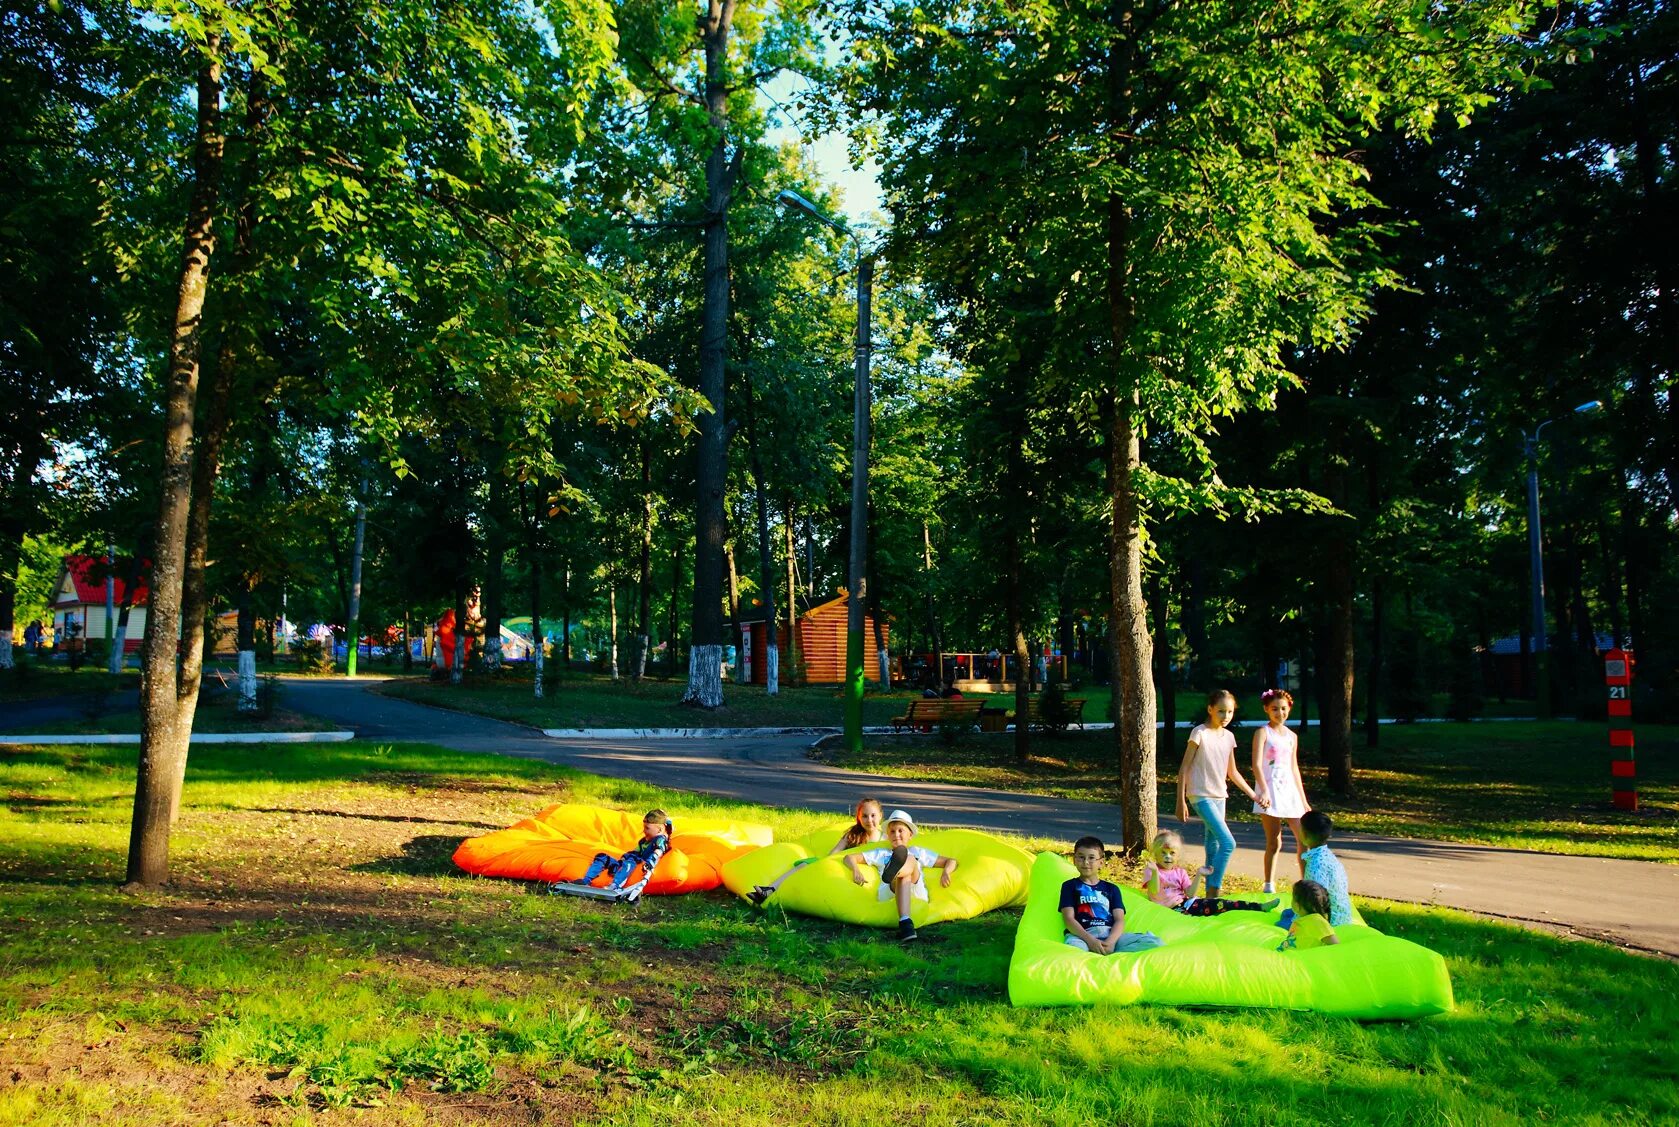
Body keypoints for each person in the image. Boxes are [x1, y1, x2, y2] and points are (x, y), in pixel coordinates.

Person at [1175, 689, 1266, 902]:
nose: (1225, 716)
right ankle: (1215, 891)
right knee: (1228, 843)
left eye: (1230, 712)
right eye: (1221, 711)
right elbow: (1184, 769)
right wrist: (1180, 801)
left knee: (1213, 845)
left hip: (1219, 796)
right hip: (1200, 795)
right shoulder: (1199, 733)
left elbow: (1232, 772)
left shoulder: (1229, 737)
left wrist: (1254, 795)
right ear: (1210, 709)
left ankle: (1208, 899)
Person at [747, 798, 885, 906]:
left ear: (880, 816)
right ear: (859, 818)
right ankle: (769, 890)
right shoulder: (852, 835)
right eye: (865, 816)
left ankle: (769, 891)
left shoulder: (884, 838)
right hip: (839, 864)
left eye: (873, 815)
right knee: (803, 866)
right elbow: (834, 853)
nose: (869, 820)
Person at [853, 810, 956, 942]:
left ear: (910, 834)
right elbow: (849, 858)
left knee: (910, 859)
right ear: (887, 836)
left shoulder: (918, 851)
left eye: (901, 830)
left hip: (916, 891)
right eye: (892, 831)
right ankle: (906, 923)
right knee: (908, 864)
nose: (896, 835)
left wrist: (946, 872)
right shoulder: (881, 853)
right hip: (889, 890)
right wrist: (856, 870)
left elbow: (951, 861)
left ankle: (897, 871)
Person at [1060, 835, 1163, 954]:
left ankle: (1111, 954)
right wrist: (1091, 941)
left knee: (1155, 943)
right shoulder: (1069, 886)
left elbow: (1119, 920)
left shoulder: (1112, 889)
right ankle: (1102, 955)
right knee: (1075, 951)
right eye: (1081, 857)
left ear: (1101, 862)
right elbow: (1068, 918)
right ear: (1074, 860)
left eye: (1091, 857)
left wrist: (1111, 942)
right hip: (1082, 936)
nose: (1086, 862)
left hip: (1110, 934)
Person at [1252, 688, 1310, 894]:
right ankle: (1269, 884)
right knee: (1274, 841)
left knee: (1303, 838)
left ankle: (1307, 884)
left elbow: (1294, 767)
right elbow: (1257, 764)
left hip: (1290, 791)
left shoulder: (1292, 736)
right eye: (1275, 709)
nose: (1280, 713)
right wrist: (1264, 791)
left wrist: (1303, 800)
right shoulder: (1262, 732)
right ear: (1267, 709)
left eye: (1283, 709)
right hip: (1271, 790)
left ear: (1289, 709)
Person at [1141, 831, 1279, 916]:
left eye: (1172, 853)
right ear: (1155, 854)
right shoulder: (1152, 870)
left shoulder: (1179, 872)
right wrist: (1154, 873)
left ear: (1178, 856)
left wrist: (1199, 874)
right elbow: (1154, 891)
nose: (1168, 857)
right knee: (1217, 906)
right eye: (1163, 853)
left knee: (1223, 904)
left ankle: (1259, 907)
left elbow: (1190, 894)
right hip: (1174, 911)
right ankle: (1257, 908)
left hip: (1187, 905)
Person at [572, 809, 671, 892]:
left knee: (630, 860)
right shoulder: (643, 842)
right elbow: (635, 852)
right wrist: (625, 857)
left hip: (637, 867)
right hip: (625, 863)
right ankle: (585, 880)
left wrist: (650, 862)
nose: (644, 831)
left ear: (659, 829)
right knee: (602, 857)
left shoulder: (660, 840)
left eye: (647, 828)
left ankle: (615, 885)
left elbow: (658, 852)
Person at [1294, 810, 1352, 927]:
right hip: (1343, 916)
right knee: (1288, 913)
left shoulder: (1316, 865)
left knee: (1284, 921)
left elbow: (1316, 901)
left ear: (1304, 834)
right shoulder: (1328, 856)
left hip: (1330, 922)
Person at [1277, 879, 1340, 951]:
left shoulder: (1318, 921)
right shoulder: (1304, 919)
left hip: (1298, 959)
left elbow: (1335, 944)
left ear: (1297, 906)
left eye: (1293, 898)